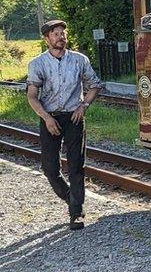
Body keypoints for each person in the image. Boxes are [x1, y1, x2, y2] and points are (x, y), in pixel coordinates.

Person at [25, 20, 103, 230]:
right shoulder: (38, 64)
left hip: (73, 117)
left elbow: (95, 85)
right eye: (56, 34)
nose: (61, 37)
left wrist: (83, 105)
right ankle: (72, 199)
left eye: (62, 33)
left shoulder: (79, 60)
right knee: (50, 169)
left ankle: (76, 212)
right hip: (49, 117)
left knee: (76, 165)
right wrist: (46, 118)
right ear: (47, 39)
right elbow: (32, 96)